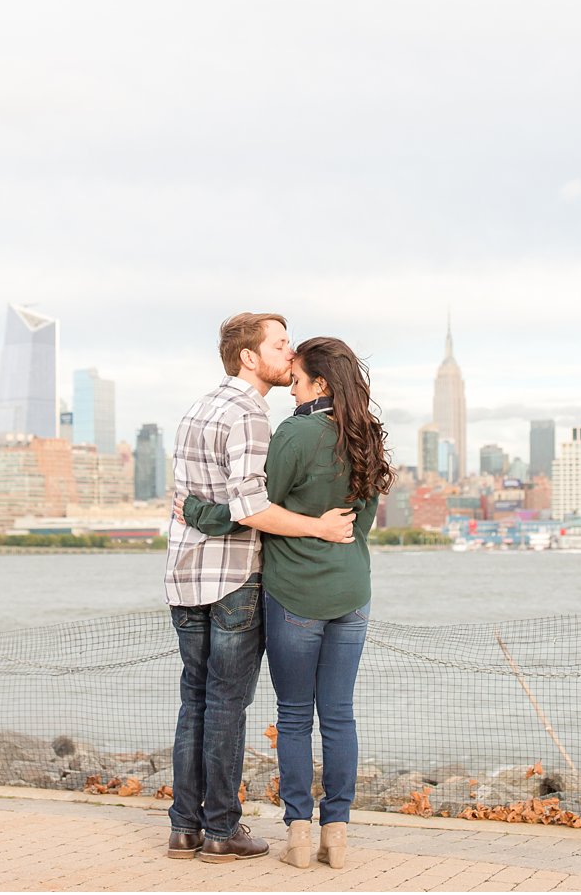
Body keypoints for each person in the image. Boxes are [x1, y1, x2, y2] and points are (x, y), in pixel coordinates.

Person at [184, 335, 393, 871]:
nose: (291, 386)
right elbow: (359, 525)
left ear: (320, 383)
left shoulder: (294, 434)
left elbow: (252, 508)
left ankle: (299, 832)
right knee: (340, 716)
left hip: (294, 594)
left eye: (297, 378)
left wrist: (196, 512)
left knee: (296, 717)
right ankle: (338, 834)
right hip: (352, 592)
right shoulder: (365, 435)